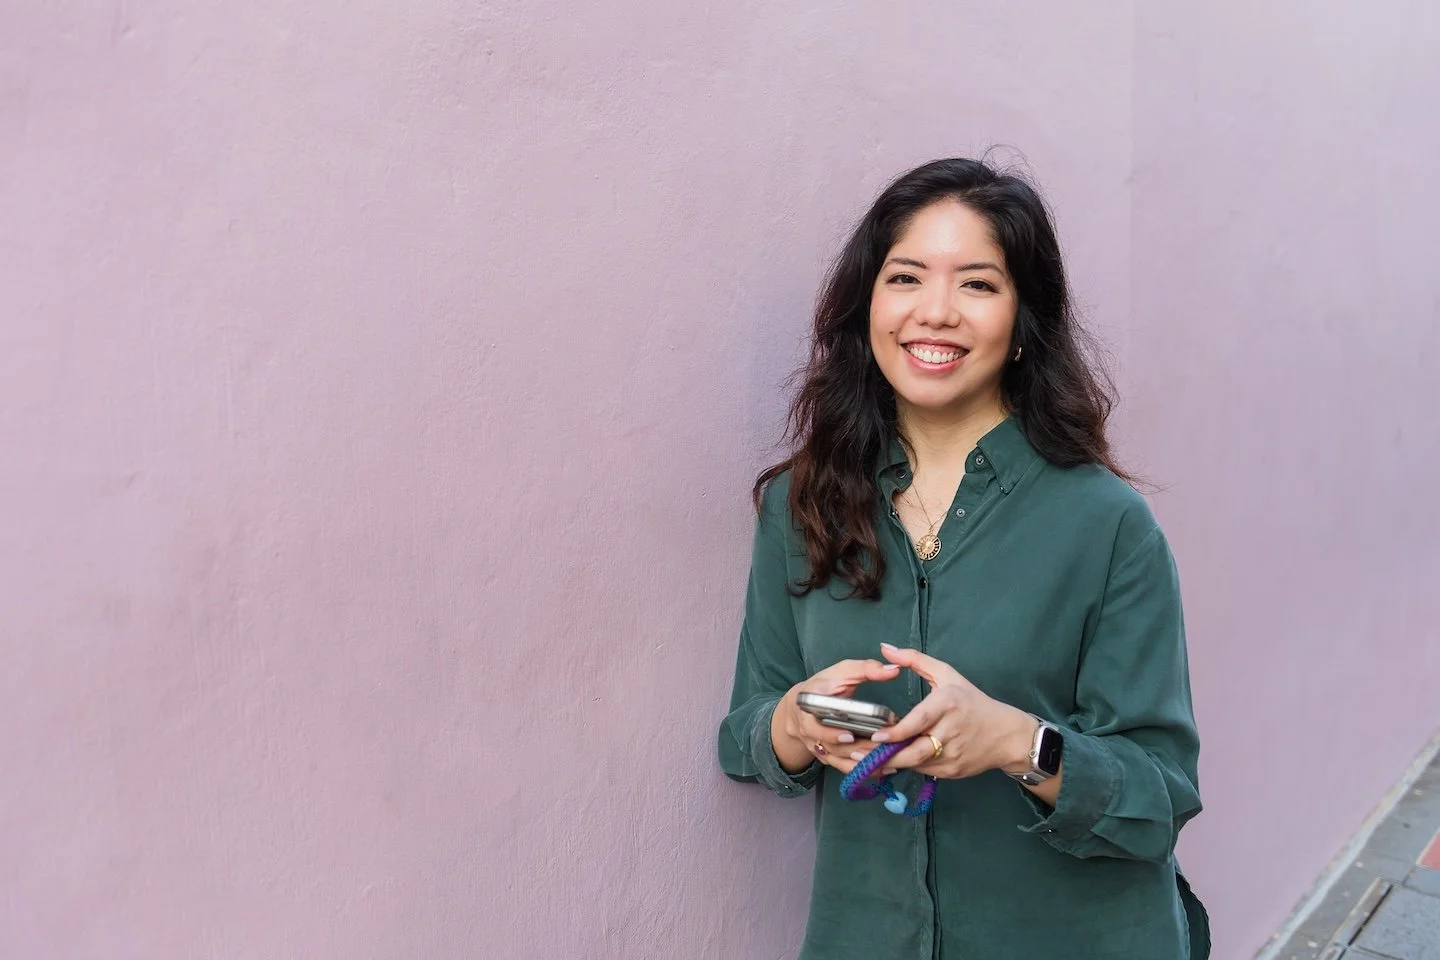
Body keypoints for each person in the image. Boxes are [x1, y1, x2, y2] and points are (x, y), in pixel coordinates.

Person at [717, 157, 1208, 959]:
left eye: (977, 284)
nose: (936, 312)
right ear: (868, 306)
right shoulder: (800, 505)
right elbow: (747, 730)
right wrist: (797, 721)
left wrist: (1018, 742)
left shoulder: (1106, 523)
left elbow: (1161, 796)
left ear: (1023, 323)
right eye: (906, 278)